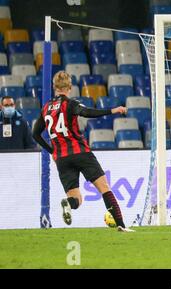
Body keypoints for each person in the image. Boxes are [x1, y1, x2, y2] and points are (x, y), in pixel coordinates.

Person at [32, 71, 134, 232]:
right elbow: (87, 113)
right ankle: (121, 225)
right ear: (70, 87)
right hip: (80, 152)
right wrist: (112, 110)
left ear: (54, 87)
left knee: (76, 200)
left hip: (61, 158)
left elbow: (35, 134)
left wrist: (52, 151)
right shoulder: (70, 104)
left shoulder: (46, 108)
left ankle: (68, 203)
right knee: (104, 188)